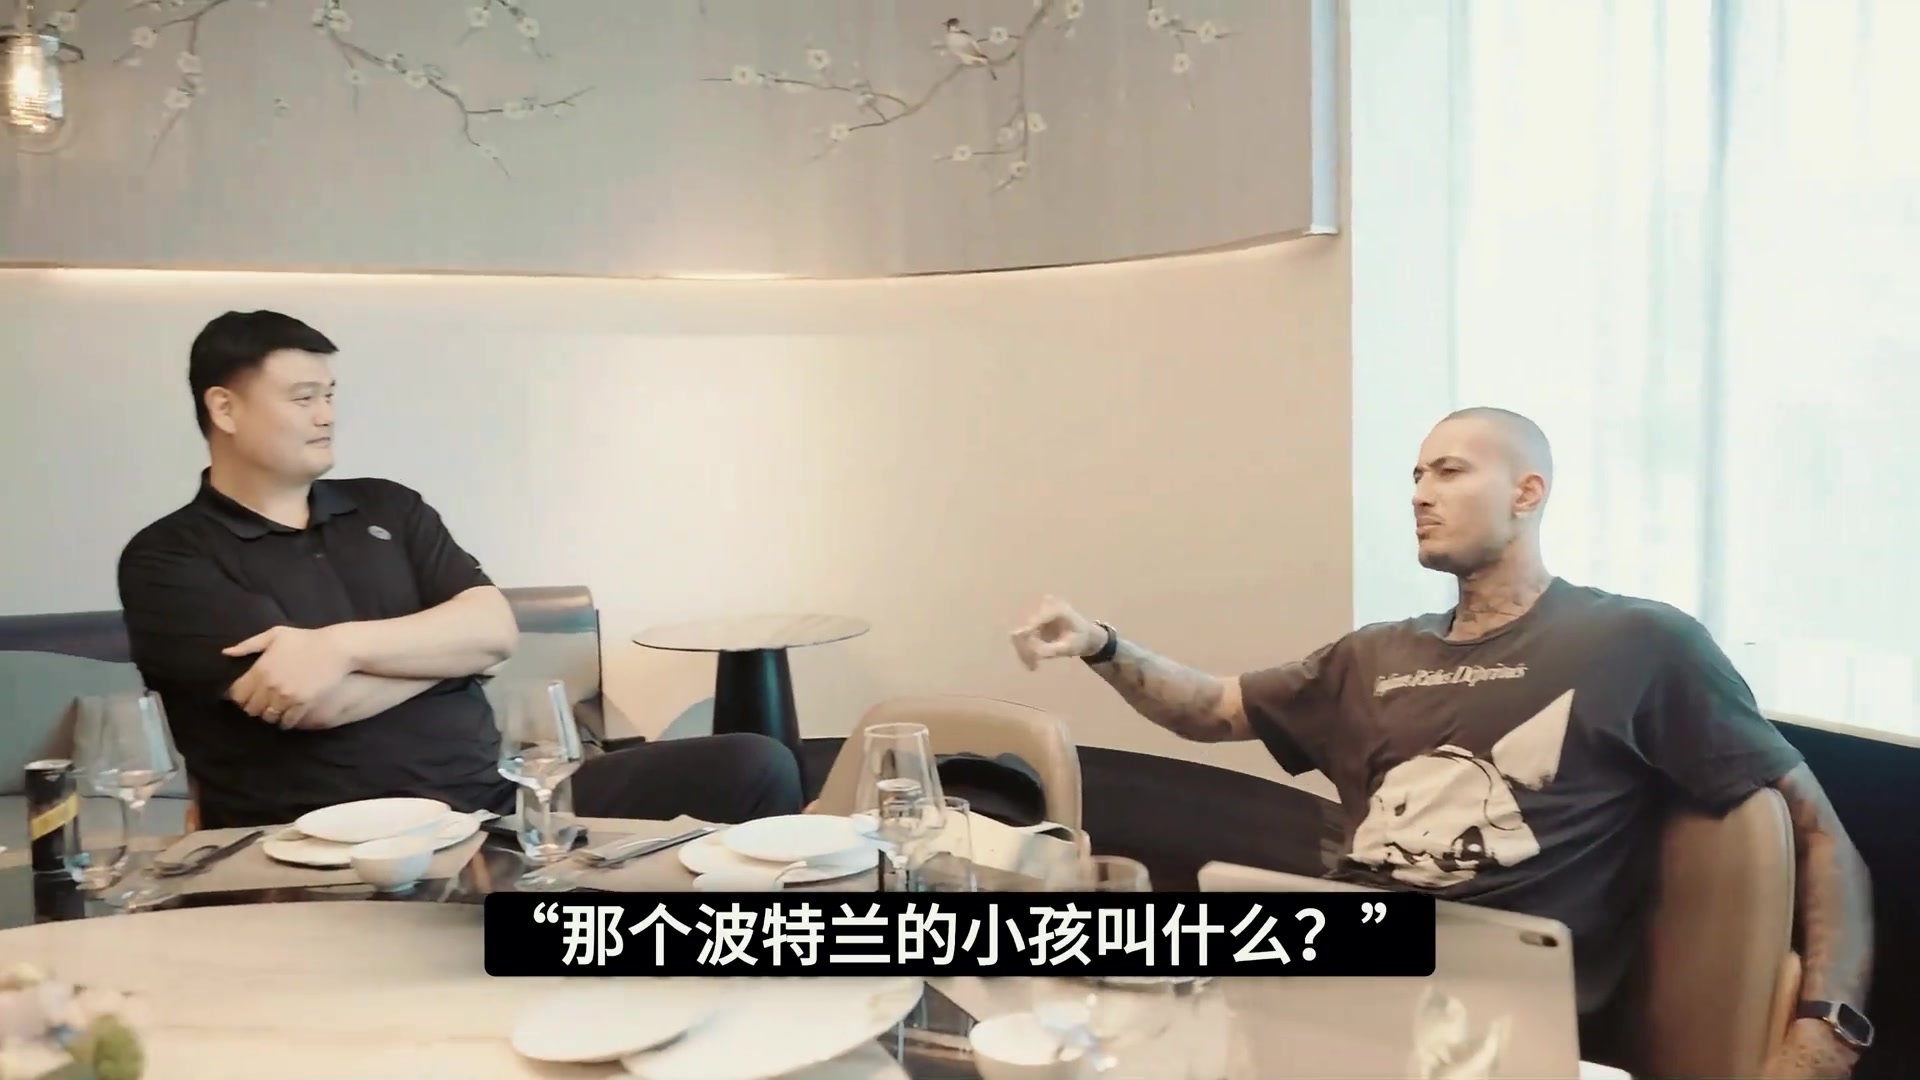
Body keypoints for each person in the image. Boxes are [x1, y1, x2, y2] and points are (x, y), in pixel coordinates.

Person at [1010, 407, 1874, 1077]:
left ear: (1527, 493)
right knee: (1038, 974)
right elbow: (1211, 709)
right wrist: (1102, 644)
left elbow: (1819, 832)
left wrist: (1828, 1029)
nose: (1421, 492)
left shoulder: (1638, 643)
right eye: (1417, 474)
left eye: (1450, 471)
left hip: (1487, 1015)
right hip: (1336, 966)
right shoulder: (1374, 654)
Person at [117, 310, 802, 830]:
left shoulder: (388, 507)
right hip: (318, 837)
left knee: (753, 763)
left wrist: (338, 647)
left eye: (330, 394)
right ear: (224, 407)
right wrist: (452, 659)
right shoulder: (169, 557)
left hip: (494, 806)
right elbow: (317, 703)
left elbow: (495, 630)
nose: (326, 415)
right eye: (302, 398)